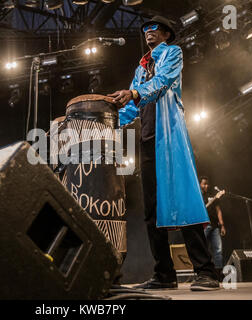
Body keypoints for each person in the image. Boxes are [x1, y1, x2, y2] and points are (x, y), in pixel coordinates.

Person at [108, 16, 219, 291]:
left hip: (169, 137)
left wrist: (134, 92)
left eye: (154, 28)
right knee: (151, 211)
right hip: (147, 141)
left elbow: (163, 81)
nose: (148, 32)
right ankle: (165, 274)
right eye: (145, 29)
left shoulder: (172, 53)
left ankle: (206, 271)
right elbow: (131, 108)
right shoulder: (140, 68)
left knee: (183, 200)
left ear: (167, 33)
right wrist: (105, 120)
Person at [199, 176, 226, 277]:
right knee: (203, 249)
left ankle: (219, 273)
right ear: (200, 184)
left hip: (215, 226)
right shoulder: (197, 196)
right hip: (204, 226)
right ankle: (204, 272)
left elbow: (218, 210)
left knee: (218, 249)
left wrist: (222, 225)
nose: (206, 185)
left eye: (207, 184)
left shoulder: (211, 195)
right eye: (204, 183)